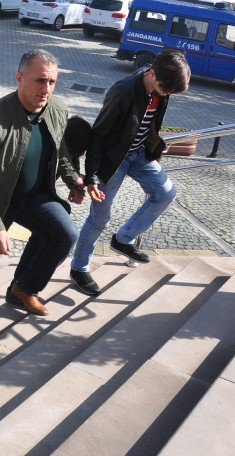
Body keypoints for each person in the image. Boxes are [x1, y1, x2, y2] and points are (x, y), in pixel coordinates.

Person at [0, 49, 87, 350]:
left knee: (64, 234)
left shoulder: (58, 109)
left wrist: (74, 180)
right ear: (19, 78)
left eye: (52, 82)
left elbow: (63, 155)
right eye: (40, 80)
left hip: (36, 197)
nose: (47, 89)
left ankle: (23, 289)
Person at [69, 49, 191, 296]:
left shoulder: (161, 86)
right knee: (100, 218)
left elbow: (150, 121)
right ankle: (79, 268)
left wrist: (155, 144)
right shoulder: (123, 91)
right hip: (112, 161)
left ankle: (123, 239)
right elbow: (98, 135)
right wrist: (91, 176)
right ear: (153, 74)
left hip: (138, 155)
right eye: (165, 90)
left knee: (166, 193)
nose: (167, 95)